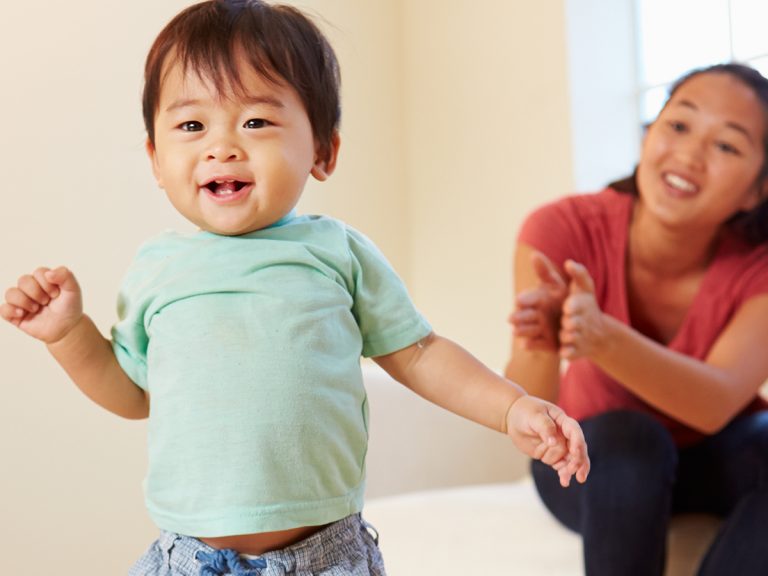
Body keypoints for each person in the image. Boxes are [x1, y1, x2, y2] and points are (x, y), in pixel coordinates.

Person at [0, 1, 589, 575]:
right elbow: (134, 394)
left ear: (323, 151)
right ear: (156, 159)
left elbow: (420, 353)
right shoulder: (158, 269)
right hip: (187, 559)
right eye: (191, 124)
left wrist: (511, 407)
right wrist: (70, 334)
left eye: (256, 121)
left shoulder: (336, 253)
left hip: (323, 558)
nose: (221, 145)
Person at [506, 61, 768, 576]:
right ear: (649, 135)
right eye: (678, 125)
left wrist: (602, 338)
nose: (690, 154)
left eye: (727, 146)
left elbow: (715, 404)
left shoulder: (758, 265)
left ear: (758, 190)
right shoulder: (562, 227)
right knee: (632, 439)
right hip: (595, 460)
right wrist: (542, 337)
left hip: (713, 457)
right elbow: (530, 406)